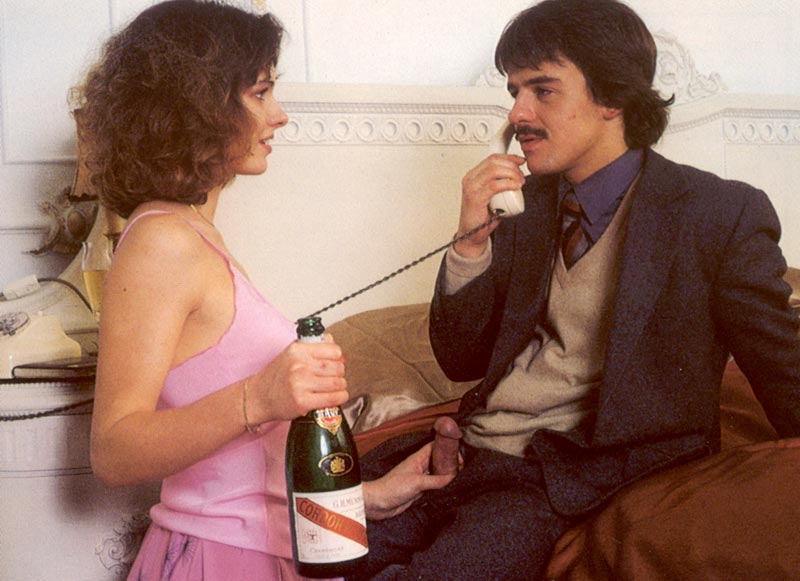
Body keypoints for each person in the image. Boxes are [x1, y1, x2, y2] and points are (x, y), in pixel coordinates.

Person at [354, 0, 800, 579]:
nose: (518, 113)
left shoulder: (718, 213)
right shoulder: (524, 206)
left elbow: (780, 365)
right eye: (515, 91)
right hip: (458, 456)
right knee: (306, 548)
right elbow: (461, 361)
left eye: (543, 89)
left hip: (556, 482)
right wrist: (469, 246)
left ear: (612, 97)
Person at [75, 2, 456, 580]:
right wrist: (260, 396)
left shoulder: (196, 234)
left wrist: (364, 498)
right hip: (219, 558)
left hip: (265, 551)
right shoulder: (160, 242)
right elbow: (114, 450)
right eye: (260, 93)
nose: (279, 116)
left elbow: (240, 470)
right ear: (197, 106)